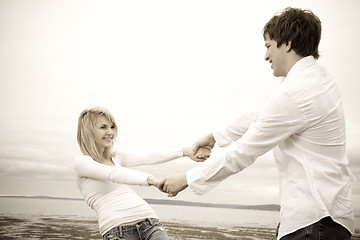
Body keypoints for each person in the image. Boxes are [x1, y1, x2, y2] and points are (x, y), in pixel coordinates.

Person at [162, 7, 356, 240]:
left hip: (313, 223)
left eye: (268, 46)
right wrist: (214, 136)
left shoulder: (295, 94)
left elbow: (244, 152)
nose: (266, 56)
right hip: (329, 219)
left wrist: (187, 179)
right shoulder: (319, 81)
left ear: (288, 43)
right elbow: (263, 113)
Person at [73, 107, 209, 240]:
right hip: (117, 230)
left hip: (150, 223)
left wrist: (186, 151)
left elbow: (149, 156)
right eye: (103, 127)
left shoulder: (117, 157)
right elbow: (113, 174)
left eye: (112, 127)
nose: (110, 132)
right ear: (88, 132)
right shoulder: (81, 163)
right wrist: (152, 180)